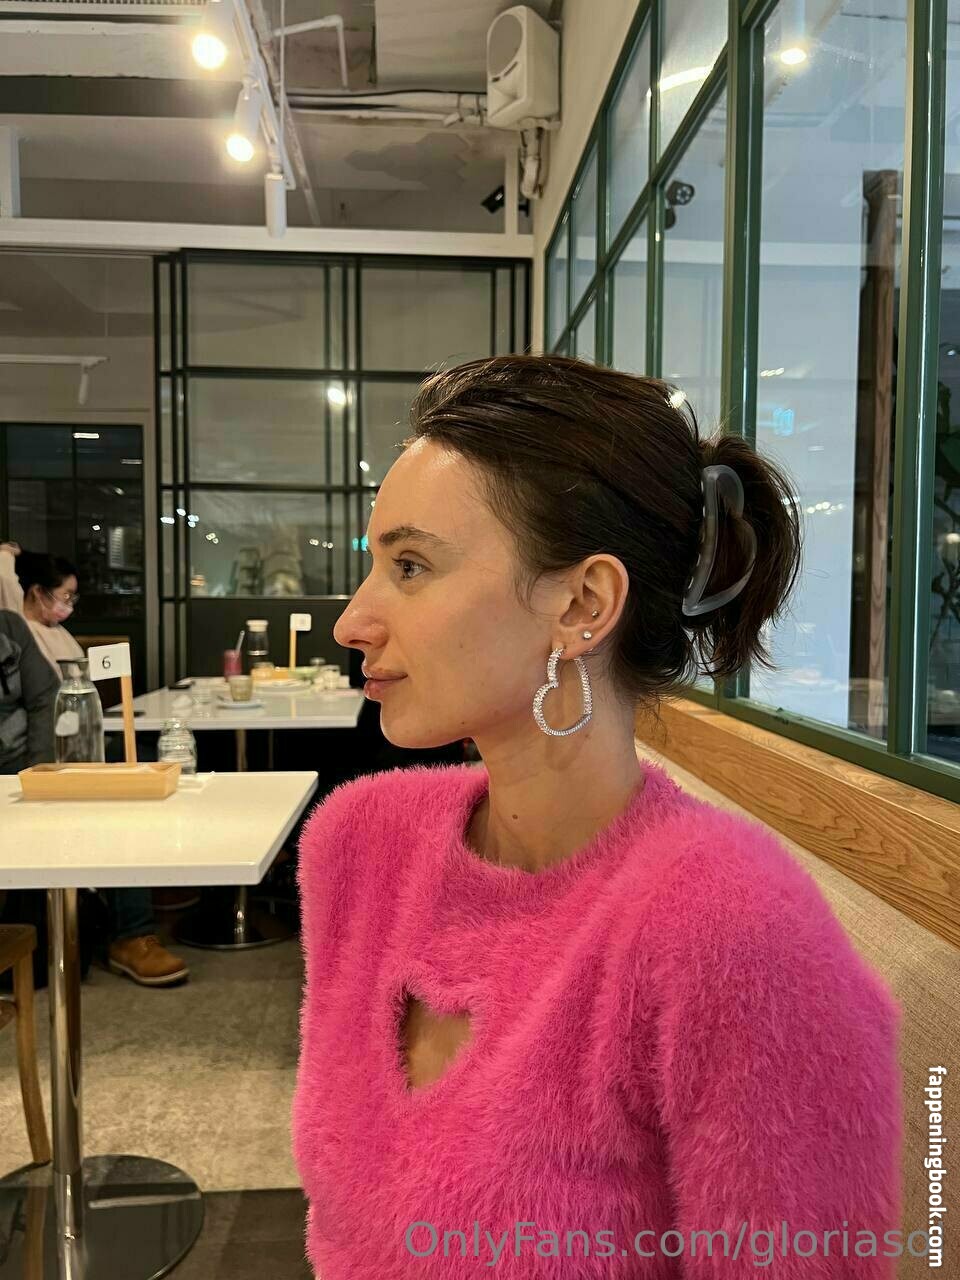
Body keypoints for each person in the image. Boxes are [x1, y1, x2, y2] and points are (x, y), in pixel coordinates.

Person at [291, 355, 905, 1278]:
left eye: (410, 566)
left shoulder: (733, 932)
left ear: (583, 605)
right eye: (373, 565)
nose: (352, 621)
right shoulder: (361, 845)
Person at [0, 540, 189, 988]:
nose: (67, 606)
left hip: (45, 758)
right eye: (63, 596)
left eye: (72, 598)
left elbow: (46, 700)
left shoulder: (14, 630)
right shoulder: (22, 620)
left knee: (131, 782)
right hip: (35, 760)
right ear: (34, 592)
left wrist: (42, 772)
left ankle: (134, 927)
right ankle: (129, 930)